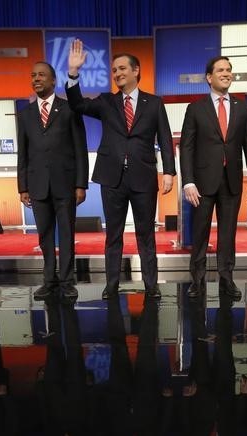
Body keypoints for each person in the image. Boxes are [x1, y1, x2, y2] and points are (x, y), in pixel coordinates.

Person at [66, 39, 176, 300]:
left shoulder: (154, 103)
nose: (117, 74)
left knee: (145, 234)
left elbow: (165, 138)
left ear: (136, 71)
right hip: (112, 177)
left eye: (122, 69)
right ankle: (111, 284)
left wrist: (169, 171)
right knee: (113, 234)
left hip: (143, 176)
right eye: (114, 70)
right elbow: (77, 105)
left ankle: (151, 284)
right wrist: (73, 73)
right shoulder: (106, 102)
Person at [180, 56, 247, 300]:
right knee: (200, 233)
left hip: (232, 181)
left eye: (229, 70)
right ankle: (198, 280)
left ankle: (227, 279)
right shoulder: (195, 108)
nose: (226, 73)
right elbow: (187, 147)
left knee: (228, 234)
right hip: (202, 183)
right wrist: (188, 181)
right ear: (209, 77)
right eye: (221, 70)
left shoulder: (242, 107)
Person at [17, 61, 89, 301]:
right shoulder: (25, 114)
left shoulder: (69, 109)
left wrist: (81, 184)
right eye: (33, 75)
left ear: (53, 81)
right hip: (37, 185)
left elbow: (80, 149)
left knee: (66, 234)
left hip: (65, 184)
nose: (36, 78)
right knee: (44, 235)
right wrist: (23, 186)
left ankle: (68, 281)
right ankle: (49, 280)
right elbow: (23, 153)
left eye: (42, 75)